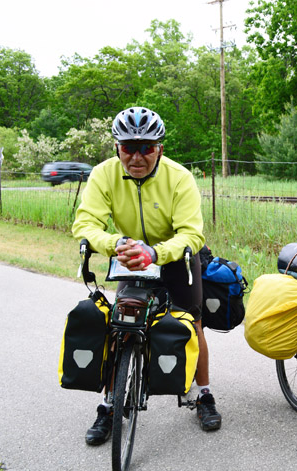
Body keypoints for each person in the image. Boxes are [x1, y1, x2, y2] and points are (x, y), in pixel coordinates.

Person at [72, 106, 222, 445]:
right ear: (117, 149)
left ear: (159, 149)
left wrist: (156, 252)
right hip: (128, 253)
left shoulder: (179, 177)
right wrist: (115, 244)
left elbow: (192, 234)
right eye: (128, 148)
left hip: (174, 256)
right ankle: (110, 405)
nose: (137, 156)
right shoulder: (103, 174)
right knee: (120, 324)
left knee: (191, 323)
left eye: (146, 148)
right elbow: (85, 223)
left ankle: (203, 394)